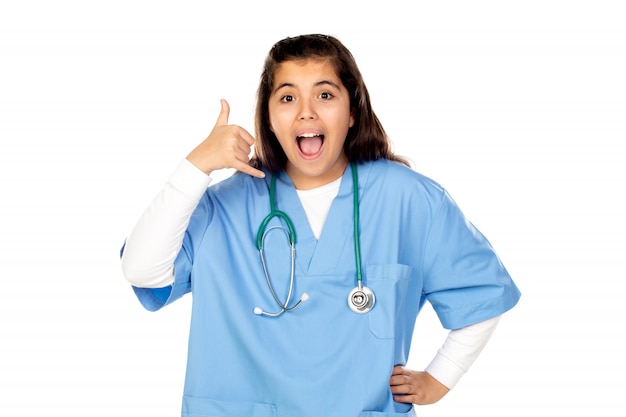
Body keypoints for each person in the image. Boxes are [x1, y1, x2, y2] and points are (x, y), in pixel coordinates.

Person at [120, 34, 521, 416]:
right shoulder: (224, 205)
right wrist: (196, 166)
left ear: (352, 112)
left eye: (325, 95)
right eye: (288, 97)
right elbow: (140, 269)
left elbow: (482, 292)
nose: (306, 111)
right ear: (269, 118)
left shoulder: (409, 199)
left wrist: (441, 376)